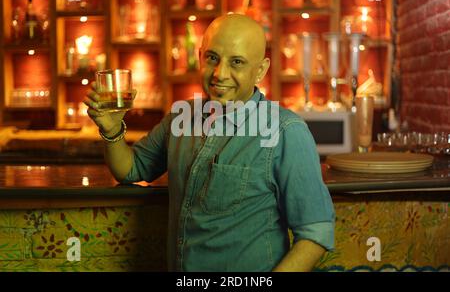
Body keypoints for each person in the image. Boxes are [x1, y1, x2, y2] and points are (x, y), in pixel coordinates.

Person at [84, 14, 335, 272]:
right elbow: (131, 169)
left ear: (260, 70)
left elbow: (316, 233)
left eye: (236, 62)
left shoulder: (287, 131)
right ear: (201, 56)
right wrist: (113, 131)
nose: (219, 73)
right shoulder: (181, 117)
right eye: (212, 58)